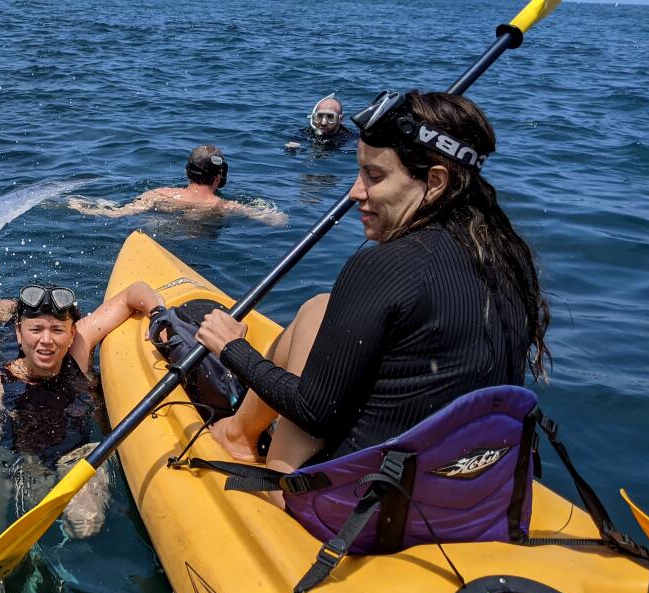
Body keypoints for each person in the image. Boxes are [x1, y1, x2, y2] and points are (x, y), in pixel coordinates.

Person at [196, 91, 550, 508]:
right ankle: (240, 433)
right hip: (470, 500)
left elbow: (313, 412)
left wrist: (233, 348)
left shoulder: (384, 265)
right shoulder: (507, 258)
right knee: (319, 307)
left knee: (311, 349)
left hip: (363, 513)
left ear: (435, 182)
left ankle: (262, 462)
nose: (354, 193)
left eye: (374, 176)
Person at [0, 281, 163, 547]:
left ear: (71, 333)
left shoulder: (79, 349)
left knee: (85, 524)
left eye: (58, 330)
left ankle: (63, 552)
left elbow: (132, 293)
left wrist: (160, 315)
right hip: (17, 458)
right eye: (36, 330)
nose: (46, 340)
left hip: (77, 456)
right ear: (19, 333)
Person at [67, 145, 287, 226]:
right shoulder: (226, 207)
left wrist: (82, 206)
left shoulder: (159, 194)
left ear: (186, 172)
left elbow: (118, 214)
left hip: (159, 227)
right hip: (200, 237)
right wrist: (263, 207)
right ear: (219, 177)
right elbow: (278, 222)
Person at [287, 93, 357, 149]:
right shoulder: (303, 134)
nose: (323, 123)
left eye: (330, 117)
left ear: (340, 119)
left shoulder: (350, 139)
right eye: (319, 116)